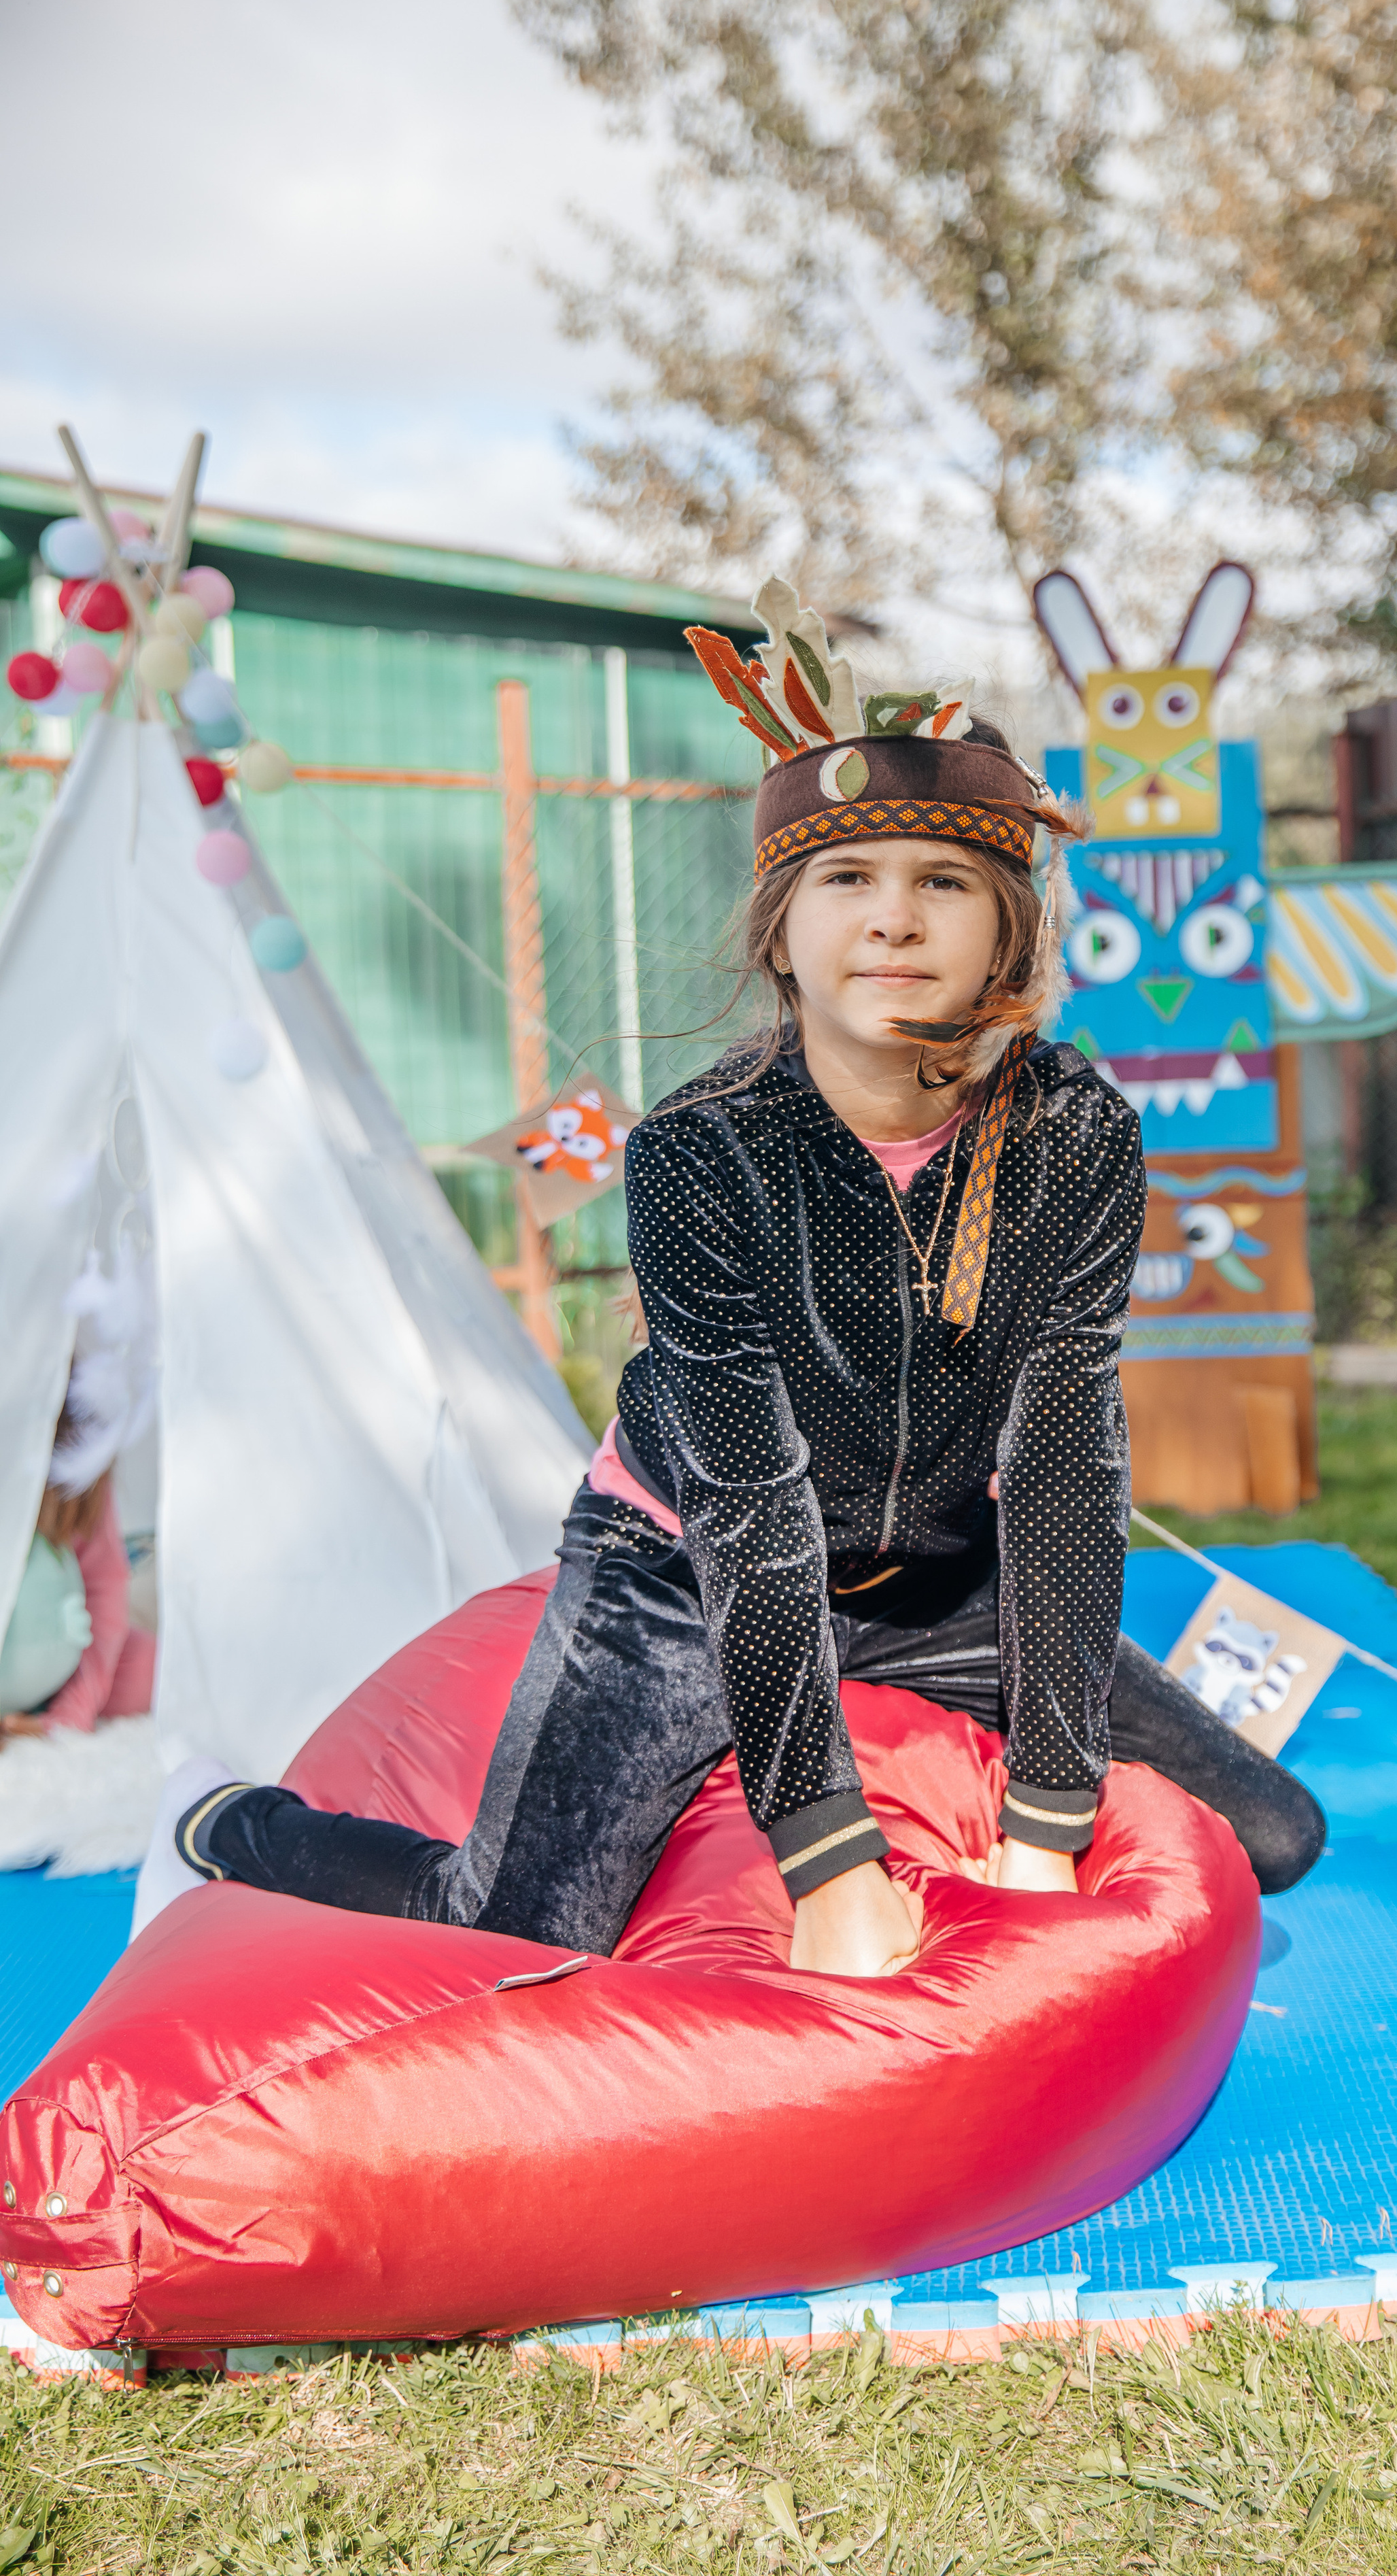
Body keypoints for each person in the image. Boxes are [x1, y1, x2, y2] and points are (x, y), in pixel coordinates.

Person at [136, 590, 1322, 1973]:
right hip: (685, 1571)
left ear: (1008, 933)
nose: (893, 920)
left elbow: (1064, 1460)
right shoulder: (703, 1152)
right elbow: (748, 1507)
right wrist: (830, 1857)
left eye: (942, 884)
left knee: (1276, 1832)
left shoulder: (1076, 1132)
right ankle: (233, 1822)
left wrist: (1048, 1816)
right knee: (516, 1926)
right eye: (847, 880)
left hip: (938, 1578)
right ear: (779, 929)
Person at [0, 1404, 154, 1742]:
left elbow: (104, 1587)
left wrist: (73, 1711)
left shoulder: (79, 1461)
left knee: (147, 1665)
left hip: (54, 1657)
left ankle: (34, 1702)